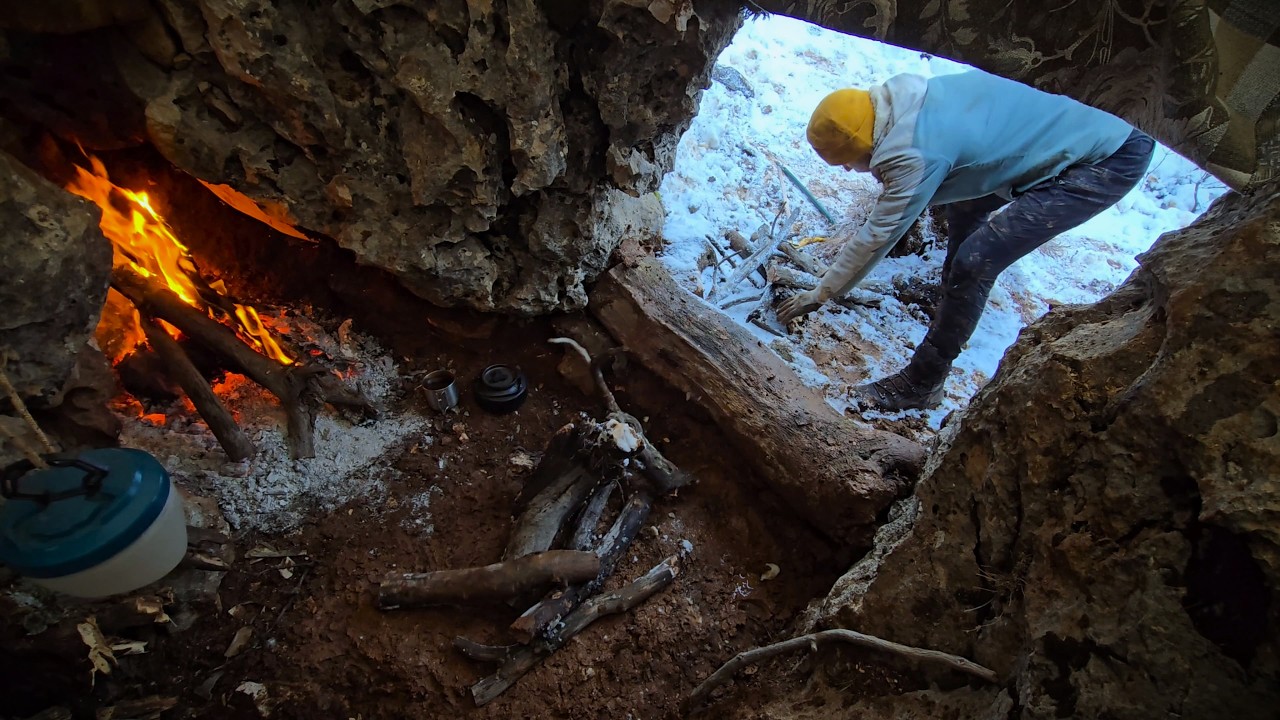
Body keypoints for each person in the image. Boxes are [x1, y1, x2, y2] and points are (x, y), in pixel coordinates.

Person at [778, 69, 1154, 411]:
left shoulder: (914, 152)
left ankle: (923, 380)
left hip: (1108, 157)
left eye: (849, 159)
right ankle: (954, 300)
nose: (848, 169)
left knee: (975, 261)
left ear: (864, 141)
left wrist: (822, 292)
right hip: (1078, 130)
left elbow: (878, 235)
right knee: (965, 209)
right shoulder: (903, 99)